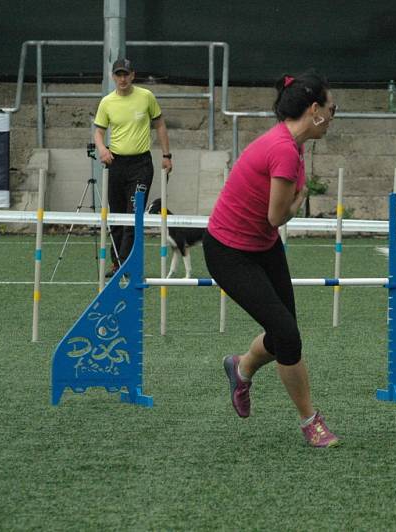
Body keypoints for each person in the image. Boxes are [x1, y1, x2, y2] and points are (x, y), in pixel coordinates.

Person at [203, 71, 340, 448]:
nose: (332, 117)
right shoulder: (282, 149)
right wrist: (300, 199)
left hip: (262, 247)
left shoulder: (291, 145)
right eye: (332, 109)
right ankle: (310, 421)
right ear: (314, 110)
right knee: (288, 336)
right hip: (228, 252)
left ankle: (242, 367)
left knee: (285, 337)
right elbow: (277, 216)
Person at [93, 58, 173, 277]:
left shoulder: (146, 97)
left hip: (141, 165)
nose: (122, 79)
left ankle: (128, 264)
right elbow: (98, 131)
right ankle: (117, 262)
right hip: (116, 164)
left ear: (132, 75)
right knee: (117, 217)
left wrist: (166, 155)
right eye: (118, 74)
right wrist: (102, 149)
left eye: (125, 74)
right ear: (113, 77)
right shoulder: (107, 102)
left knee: (133, 216)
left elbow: (160, 125)